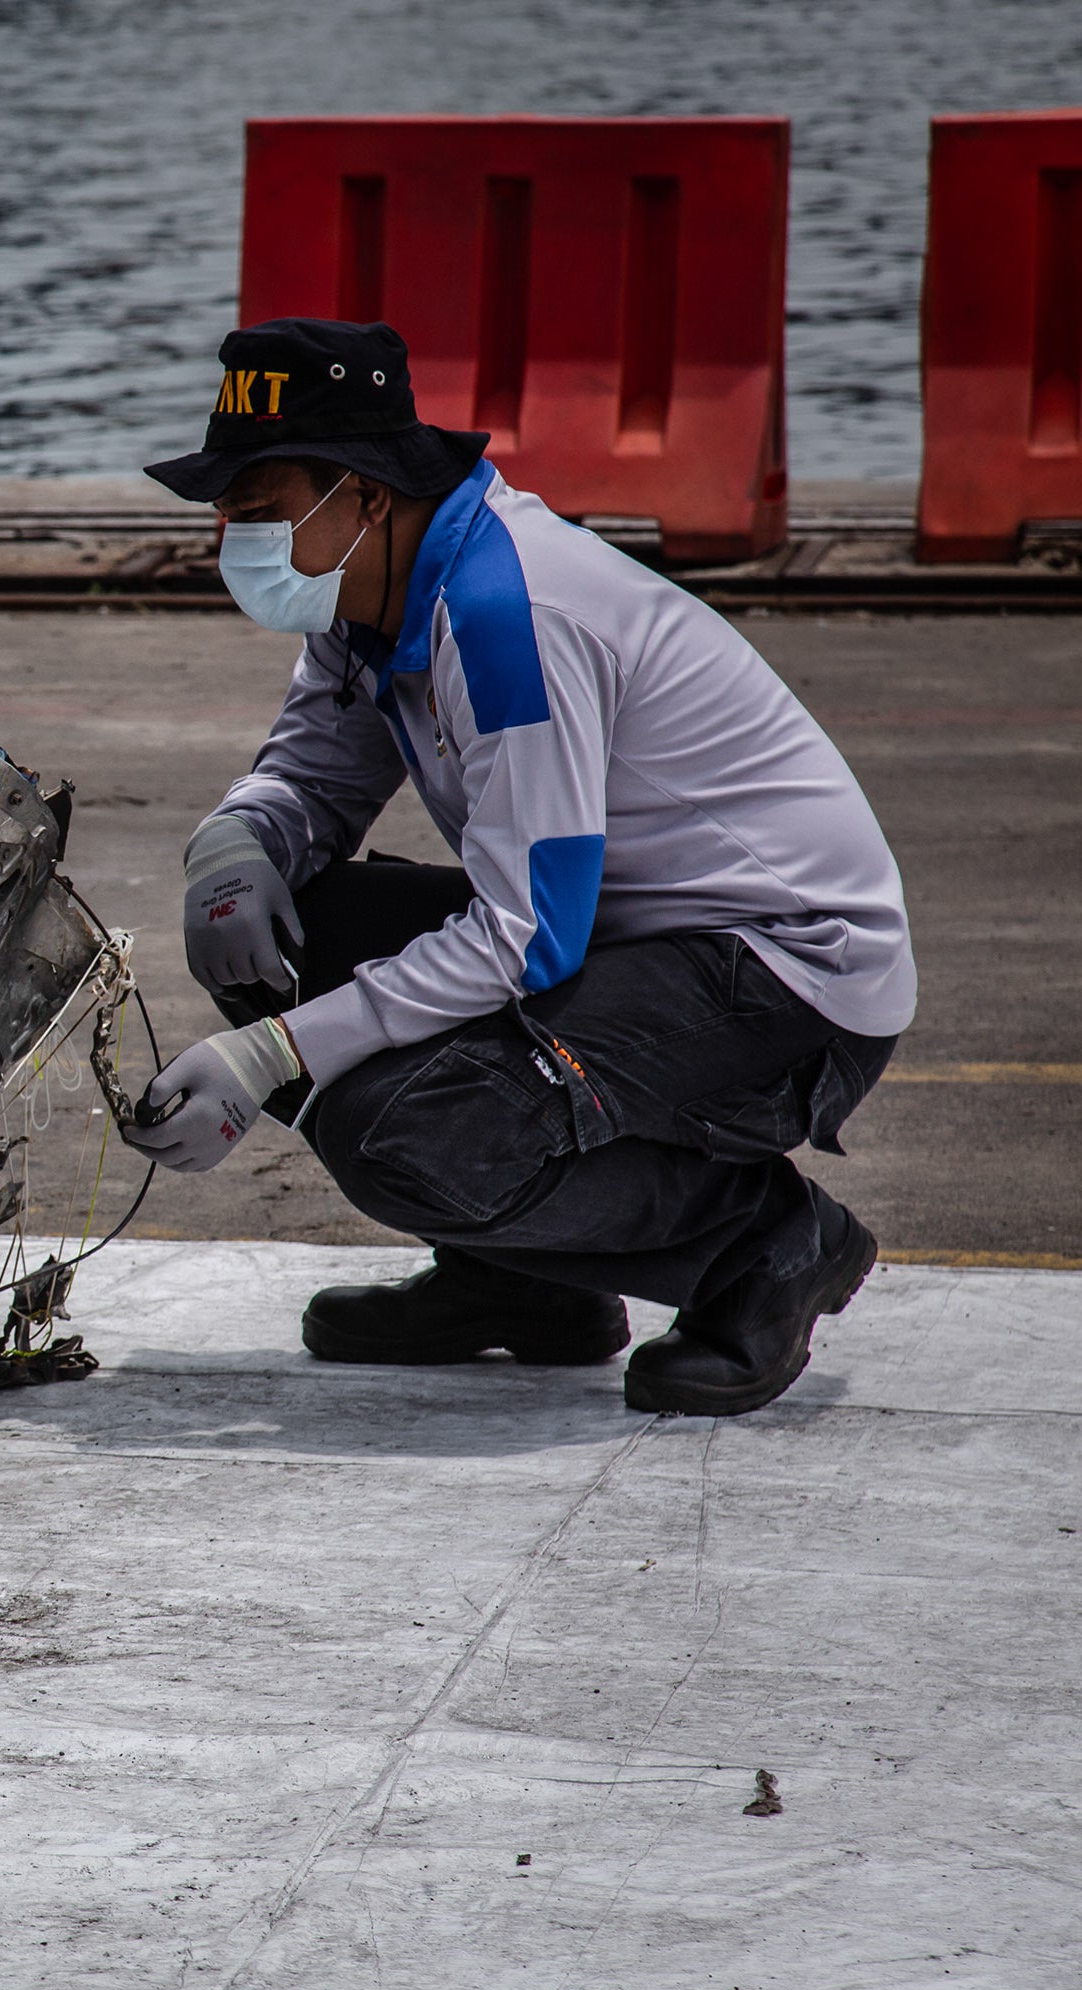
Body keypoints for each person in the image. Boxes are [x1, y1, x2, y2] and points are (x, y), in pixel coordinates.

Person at [118, 320, 915, 1418]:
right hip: (626, 931)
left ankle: (768, 1244)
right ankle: (527, 1282)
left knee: (400, 1128)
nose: (228, 535)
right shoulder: (369, 592)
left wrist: (276, 1052)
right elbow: (311, 777)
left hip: (782, 976)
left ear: (363, 496)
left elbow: (527, 934)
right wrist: (237, 841)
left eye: (256, 511)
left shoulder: (506, 614)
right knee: (281, 929)